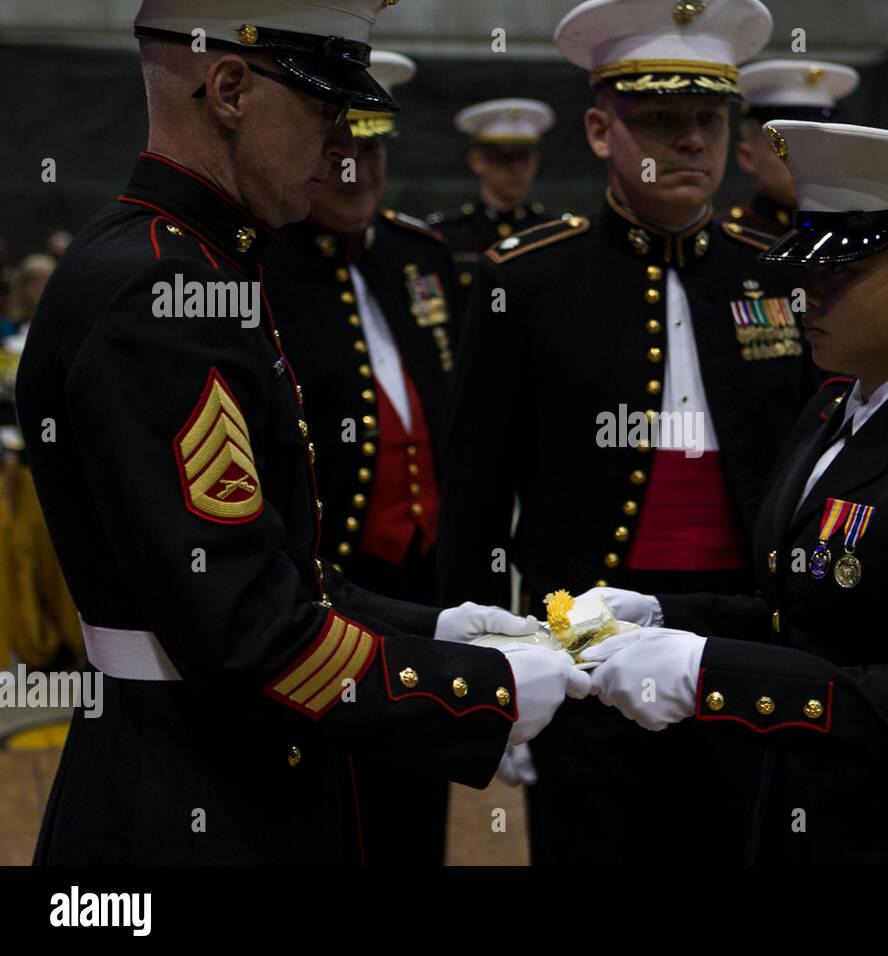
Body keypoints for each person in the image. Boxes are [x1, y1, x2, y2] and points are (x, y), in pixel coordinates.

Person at [15, 0, 587, 865]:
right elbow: (247, 624)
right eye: (324, 110)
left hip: (214, 761)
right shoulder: (162, 293)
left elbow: (272, 563)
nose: (340, 143)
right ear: (232, 87)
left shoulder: (189, 259)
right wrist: (481, 693)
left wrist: (434, 631)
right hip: (188, 796)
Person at [581, 120, 888, 865]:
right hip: (814, 809)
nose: (806, 294)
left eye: (839, 274)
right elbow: (807, 613)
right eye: (808, 268)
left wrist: (707, 672)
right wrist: (662, 615)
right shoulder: (831, 407)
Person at [438, 0, 818, 864]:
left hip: (742, 643)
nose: (691, 140)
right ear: (602, 131)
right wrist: (481, 682)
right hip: (580, 647)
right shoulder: (527, 283)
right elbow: (474, 498)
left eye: (710, 119)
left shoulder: (774, 277)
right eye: (660, 119)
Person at [258, 50, 467, 863]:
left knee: (417, 805)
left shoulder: (423, 259)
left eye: (373, 149)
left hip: (428, 588)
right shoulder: (261, 266)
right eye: (338, 149)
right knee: (326, 810)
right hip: (320, 589)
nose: (357, 170)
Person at [427, 98, 555, 293]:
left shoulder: (551, 233)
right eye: (504, 158)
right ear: (477, 160)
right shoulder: (446, 236)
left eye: (524, 158)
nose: (516, 168)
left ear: (535, 161)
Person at [722, 58, 858, 235]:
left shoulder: (850, 237)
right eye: (791, 145)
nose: (812, 159)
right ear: (747, 157)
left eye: (822, 144)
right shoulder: (731, 240)